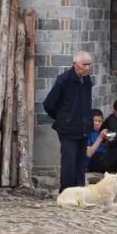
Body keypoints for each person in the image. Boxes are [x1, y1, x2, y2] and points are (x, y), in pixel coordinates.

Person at [43, 50, 93, 192]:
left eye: (89, 65)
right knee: (69, 164)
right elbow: (49, 104)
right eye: (84, 65)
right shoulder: (64, 80)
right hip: (67, 129)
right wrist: (63, 119)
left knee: (80, 163)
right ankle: (66, 192)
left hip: (83, 128)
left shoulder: (87, 80)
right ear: (75, 64)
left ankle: (79, 191)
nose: (87, 68)